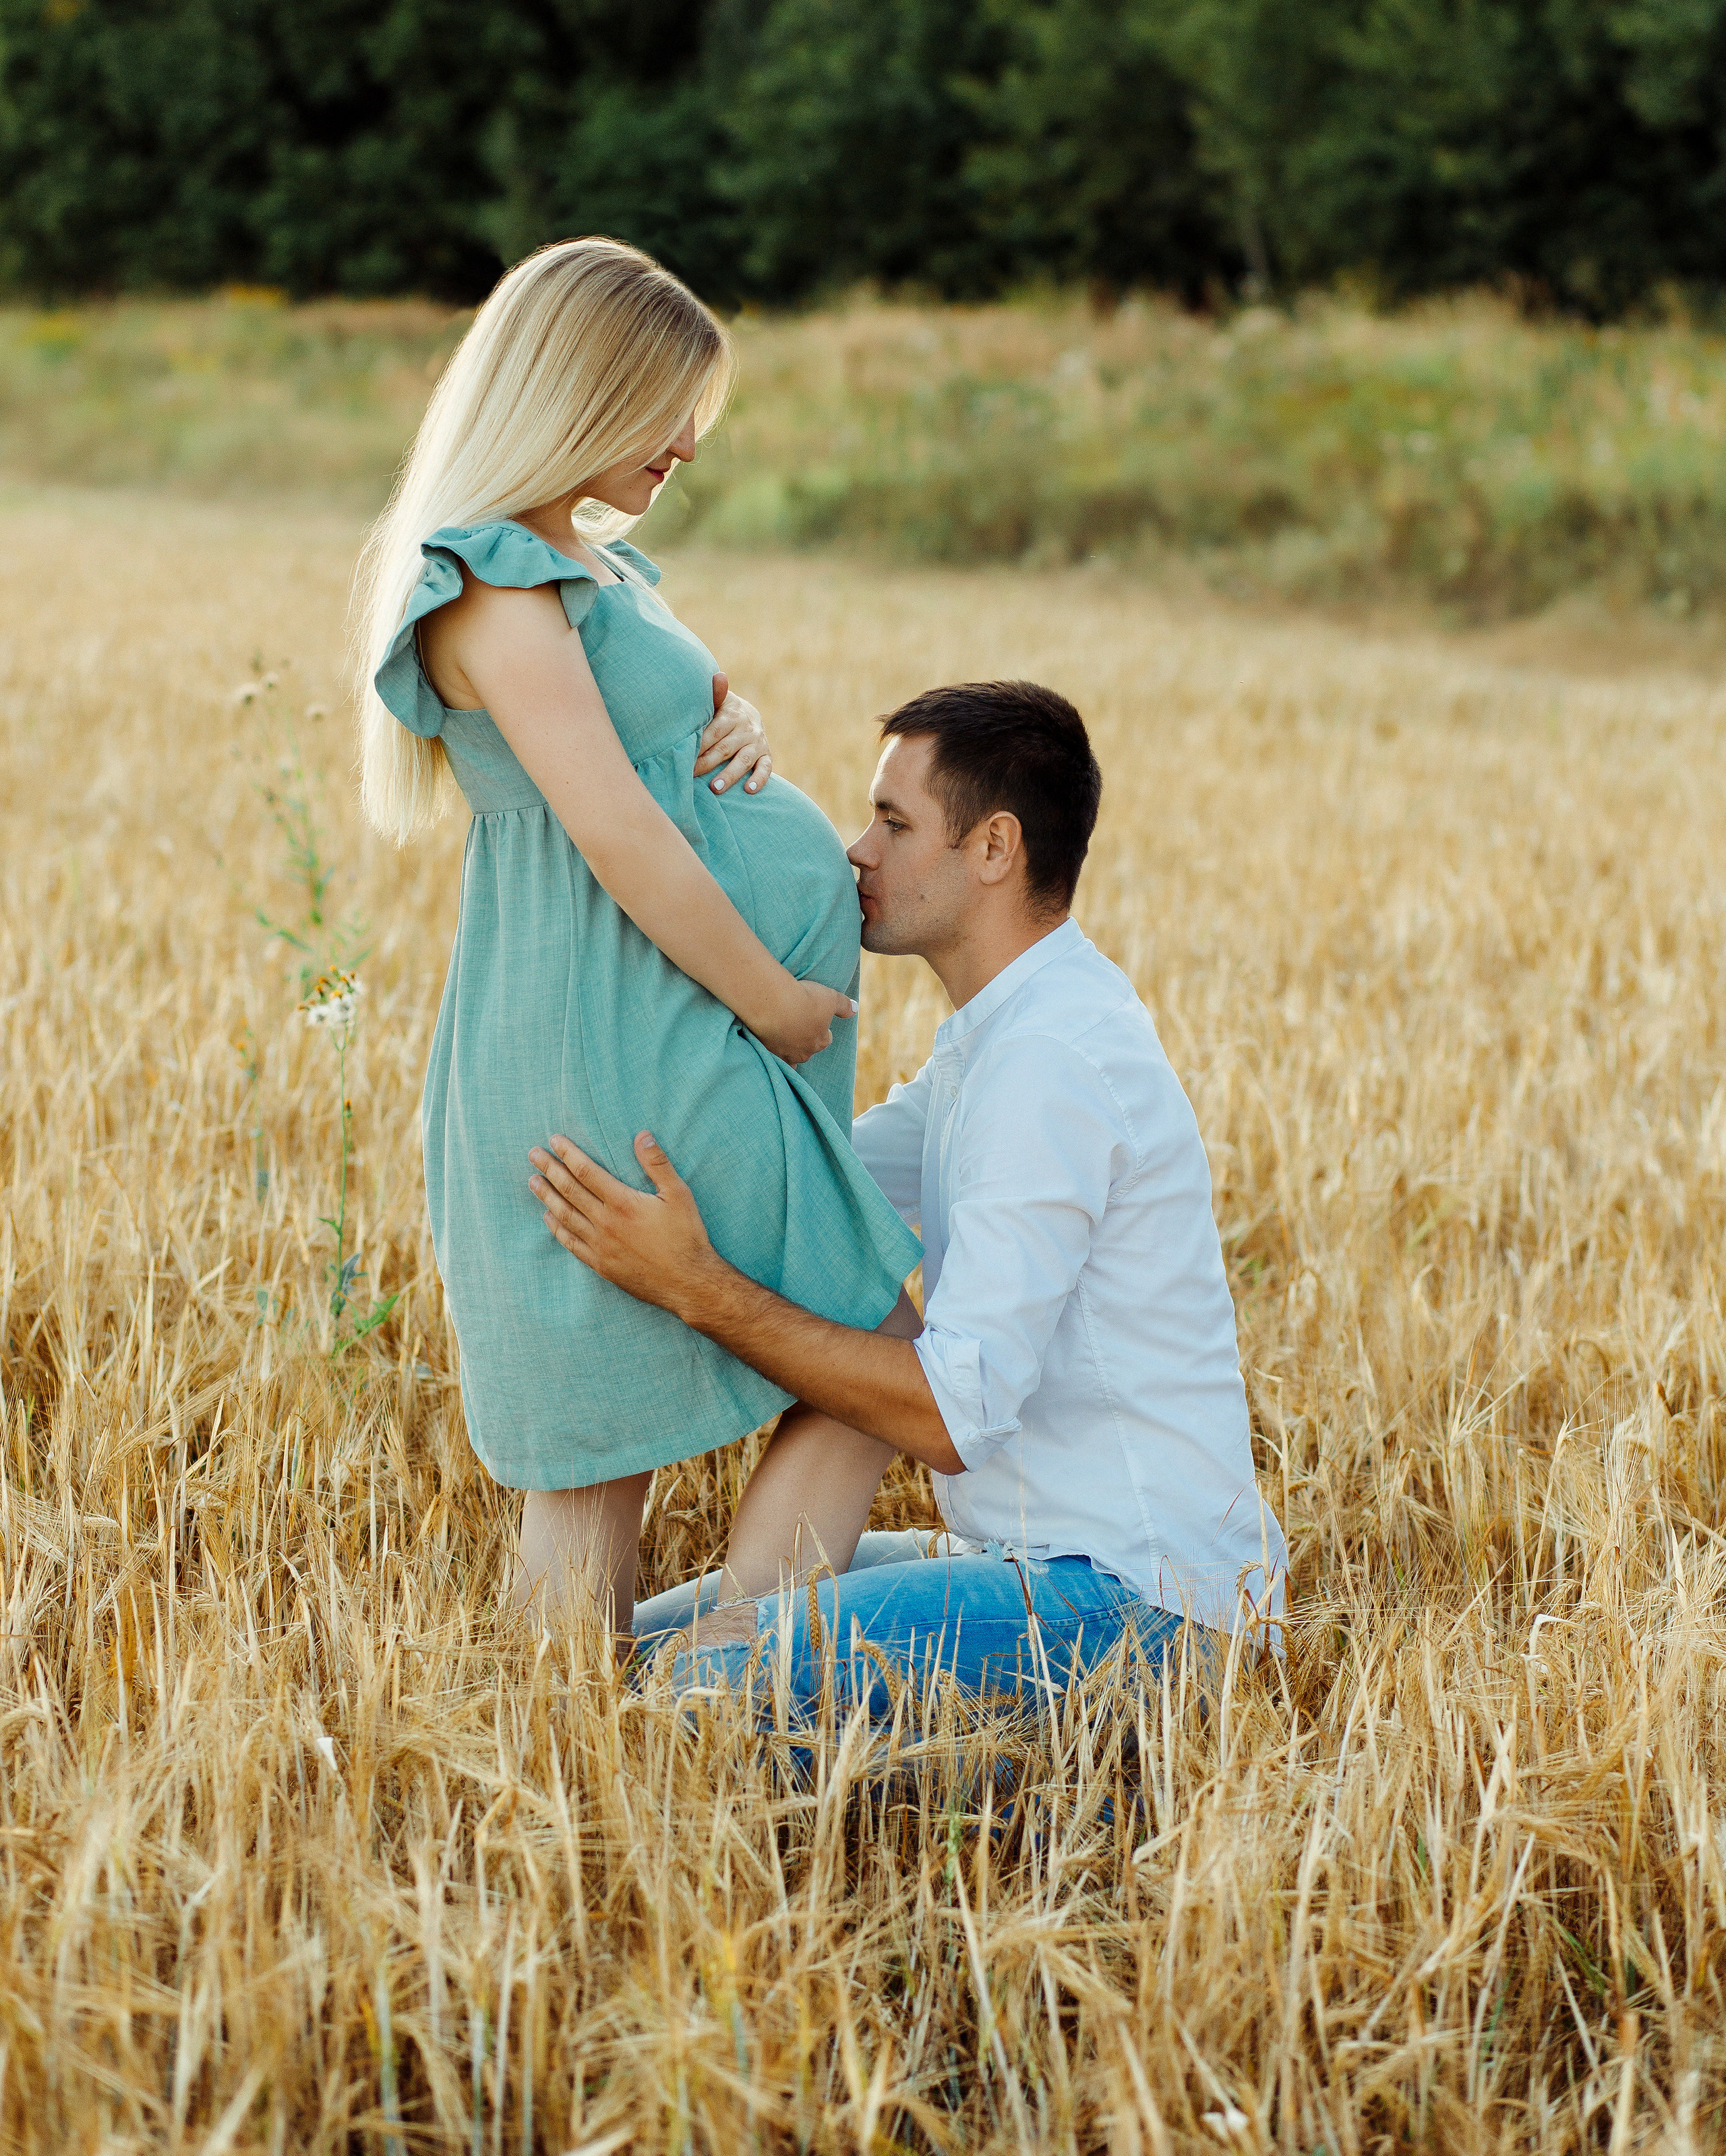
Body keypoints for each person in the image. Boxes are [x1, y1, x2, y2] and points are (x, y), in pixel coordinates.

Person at [355, 236, 923, 1641]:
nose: (687, 442)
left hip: (648, 1026)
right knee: (863, 1355)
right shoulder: (492, 584)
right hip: (624, 1035)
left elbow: (657, 738)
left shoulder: (586, 567)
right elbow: (616, 831)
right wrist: (773, 1003)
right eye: (666, 407)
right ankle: (731, 1676)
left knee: (606, 1454)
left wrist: (738, 720)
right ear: (579, 389)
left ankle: (652, 1716)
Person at [528, 680, 1287, 1715]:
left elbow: (948, 1415)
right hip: (1018, 1558)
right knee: (618, 1661)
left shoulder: (1054, 1062)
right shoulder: (997, 1039)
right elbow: (817, 1197)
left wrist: (697, 1289)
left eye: (894, 822)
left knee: (698, 1689)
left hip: (1140, 1606)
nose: (859, 851)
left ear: (994, 848)